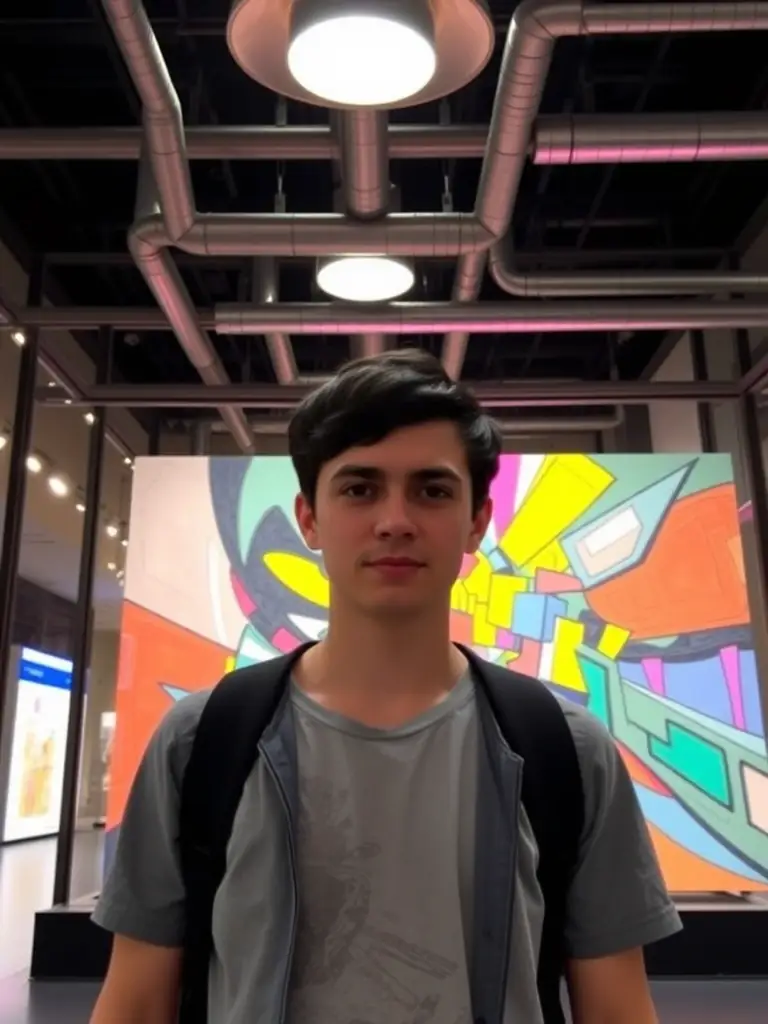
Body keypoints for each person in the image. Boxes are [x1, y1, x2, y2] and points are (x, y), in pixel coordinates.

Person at [90, 349, 682, 1024]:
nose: (395, 520)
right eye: (359, 488)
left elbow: (618, 1007)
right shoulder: (204, 742)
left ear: (476, 522)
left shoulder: (565, 751)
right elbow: (135, 1000)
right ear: (309, 519)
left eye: (432, 490)